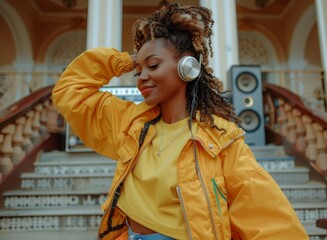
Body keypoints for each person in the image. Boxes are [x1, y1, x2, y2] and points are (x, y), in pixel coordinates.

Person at [52, 3, 308, 240]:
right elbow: (70, 91)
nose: (141, 76)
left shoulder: (220, 141)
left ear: (188, 68)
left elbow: (269, 222)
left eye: (153, 65)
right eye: (139, 70)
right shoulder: (131, 123)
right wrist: (128, 60)